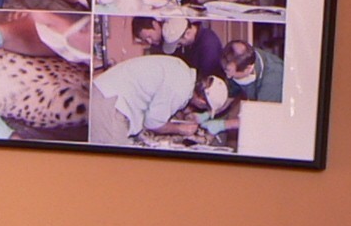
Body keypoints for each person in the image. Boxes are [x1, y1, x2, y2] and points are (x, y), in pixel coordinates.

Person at [91, 52, 225, 149]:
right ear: (202, 101)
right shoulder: (180, 89)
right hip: (110, 102)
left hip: (107, 94)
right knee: (113, 168)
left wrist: (181, 114)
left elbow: (157, 94)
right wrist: (180, 129)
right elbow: (152, 123)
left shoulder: (183, 71)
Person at [220, 36, 282, 105]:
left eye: (232, 75)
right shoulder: (244, 57)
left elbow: (262, 114)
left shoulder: (272, 83)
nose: (228, 76)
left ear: (248, 69)